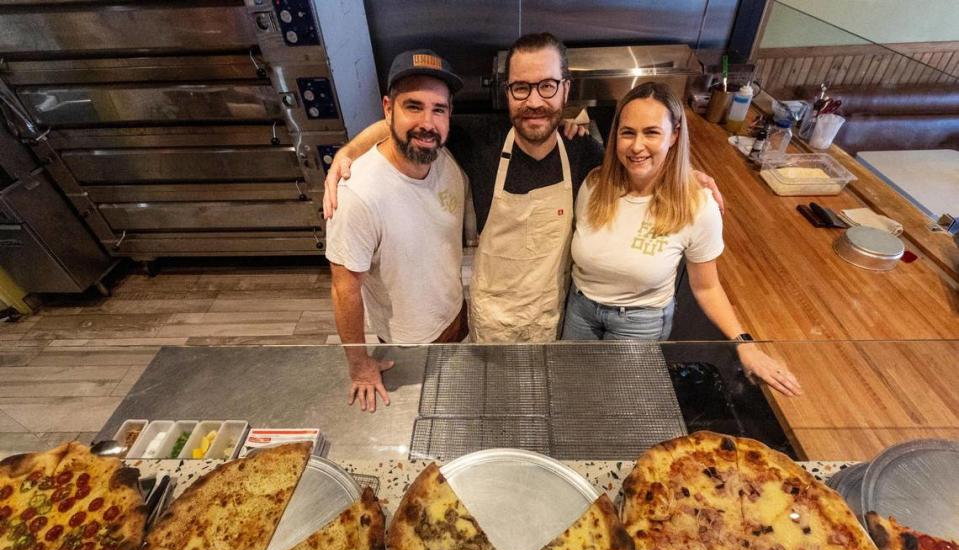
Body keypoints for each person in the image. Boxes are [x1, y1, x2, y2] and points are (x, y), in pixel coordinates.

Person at [323, 33, 725, 342]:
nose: (535, 100)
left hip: (556, 319)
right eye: (522, 88)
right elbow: (419, 126)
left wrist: (686, 172)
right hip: (491, 320)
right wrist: (349, 150)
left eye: (547, 86)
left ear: (566, 90)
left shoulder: (584, 150)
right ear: (507, 92)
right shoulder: (478, 139)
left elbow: (638, 159)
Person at [563, 82, 801, 396]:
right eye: (627, 132)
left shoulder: (697, 205)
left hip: (640, 321)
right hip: (581, 310)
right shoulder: (594, 185)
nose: (637, 146)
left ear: (674, 134)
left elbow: (707, 286)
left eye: (651, 132)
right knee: (572, 391)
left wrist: (746, 345)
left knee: (620, 401)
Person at [326, 49, 474, 412]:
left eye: (438, 109)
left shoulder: (442, 154)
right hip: (407, 340)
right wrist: (359, 366)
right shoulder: (358, 195)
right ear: (388, 108)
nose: (427, 122)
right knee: (423, 417)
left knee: (458, 403)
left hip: (458, 315)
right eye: (413, 106)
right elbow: (344, 291)